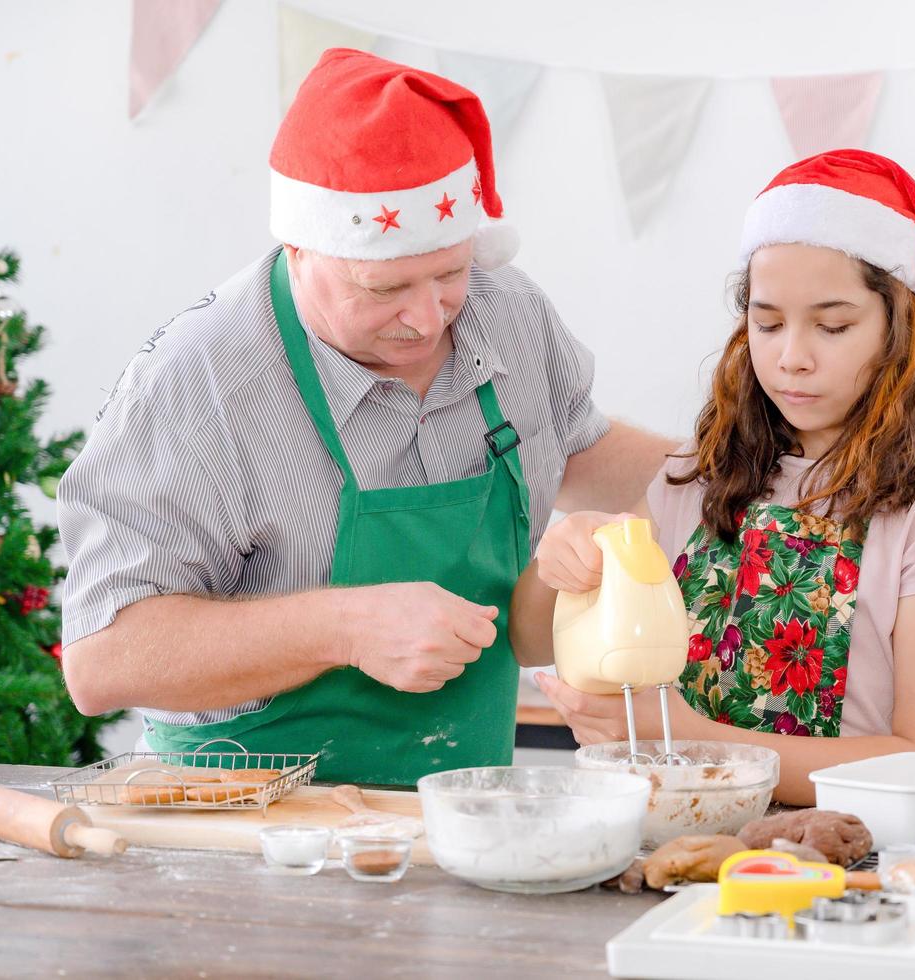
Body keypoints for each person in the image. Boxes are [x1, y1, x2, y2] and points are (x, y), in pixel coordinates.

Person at [57, 49, 672, 785]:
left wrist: (751, 471)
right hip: (248, 817)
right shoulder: (194, 392)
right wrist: (342, 627)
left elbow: (575, 451)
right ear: (299, 248)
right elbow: (101, 662)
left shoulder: (507, 309)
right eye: (383, 289)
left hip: (461, 798)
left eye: (449, 272)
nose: (426, 318)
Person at [514, 150, 915, 804]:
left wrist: (692, 742)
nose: (790, 358)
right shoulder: (698, 475)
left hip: (843, 867)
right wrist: (565, 553)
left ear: (897, 329)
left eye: (832, 326)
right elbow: (526, 642)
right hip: (678, 844)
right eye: (767, 322)